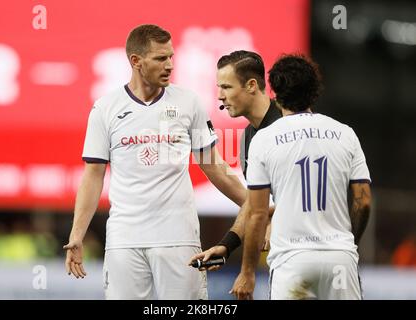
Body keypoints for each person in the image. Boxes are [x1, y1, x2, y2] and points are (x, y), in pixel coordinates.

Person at [63, 24, 246, 300]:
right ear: (136, 61)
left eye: (171, 57)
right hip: (125, 240)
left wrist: (256, 206)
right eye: (161, 58)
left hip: (179, 238)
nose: (170, 65)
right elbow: (93, 175)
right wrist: (77, 235)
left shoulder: (189, 103)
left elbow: (215, 168)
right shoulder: (105, 108)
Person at [231, 54, 372, 300]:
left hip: (292, 261)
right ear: (315, 91)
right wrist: (349, 245)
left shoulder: (263, 140)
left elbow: (257, 213)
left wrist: (248, 272)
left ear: (275, 93)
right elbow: (363, 201)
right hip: (339, 259)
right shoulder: (346, 134)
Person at [189, 50, 281, 268]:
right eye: (219, 87)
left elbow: (309, 191)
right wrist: (227, 245)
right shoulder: (248, 137)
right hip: (285, 255)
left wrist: (277, 218)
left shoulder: (290, 122)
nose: (220, 95)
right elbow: (255, 201)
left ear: (251, 85)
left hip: (313, 248)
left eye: (227, 87)